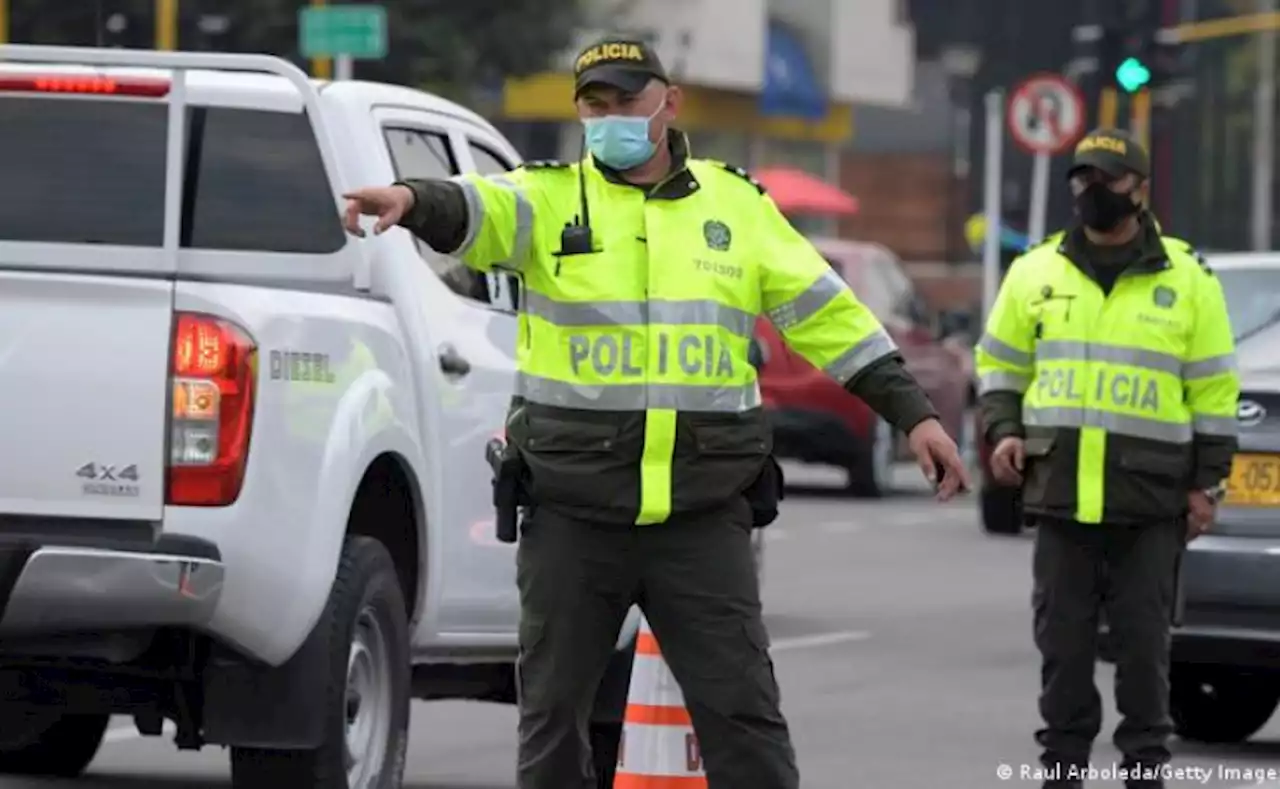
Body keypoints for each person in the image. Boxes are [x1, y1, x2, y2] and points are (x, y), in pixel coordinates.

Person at [343, 36, 970, 789]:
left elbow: (829, 317)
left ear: (667, 103)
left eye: (626, 102)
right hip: (574, 512)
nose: (610, 118)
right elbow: (473, 207)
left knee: (745, 719)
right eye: (594, 105)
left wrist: (915, 415)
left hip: (700, 515)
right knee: (552, 723)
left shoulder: (737, 206)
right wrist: (412, 199)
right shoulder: (546, 197)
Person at [975, 129, 1240, 789]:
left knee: (1144, 651)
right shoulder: (1034, 272)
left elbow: (1212, 392)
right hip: (1061, 493)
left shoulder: (1188, 280)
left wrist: (1208, 485)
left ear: (1140, 189)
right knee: (1062, 651)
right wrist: (1004, 429)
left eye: (1109, 179)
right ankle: (1061, 771)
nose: (1093, 192)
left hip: (1149, 502)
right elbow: (1000, 366)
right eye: (1083, 179)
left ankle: (1143, 770)